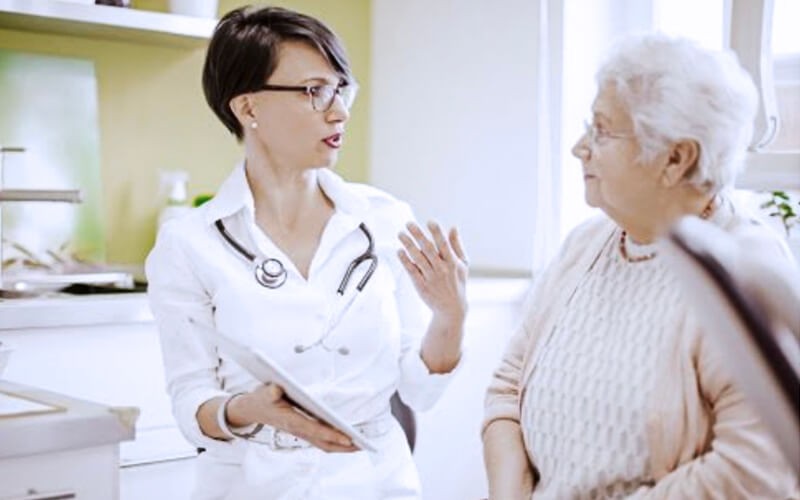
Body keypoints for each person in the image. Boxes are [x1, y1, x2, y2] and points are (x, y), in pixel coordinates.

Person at [145, 5, 468, 500]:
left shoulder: (385, 220)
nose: (338, 111)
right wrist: (247, 410)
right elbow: (192, 404)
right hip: (250, 483)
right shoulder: (190, 244)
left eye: (341, 89)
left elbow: (420, 391)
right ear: (247, 108)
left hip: (375, 482)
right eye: (313, 91)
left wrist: (450, 317)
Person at [482, 33, 800, 499]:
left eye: (602, 130)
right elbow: (507, 391)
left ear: (676, 158)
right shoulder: (585, 245)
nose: (578, 147)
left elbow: (756, 469)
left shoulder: (741, 268)